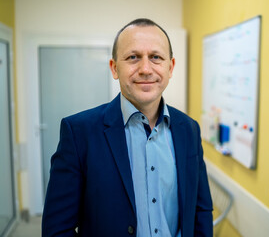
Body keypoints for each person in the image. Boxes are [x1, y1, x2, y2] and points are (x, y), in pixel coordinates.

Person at [42, 18, 213, 237]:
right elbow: (57, 229)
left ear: (170, 67)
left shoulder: (189, 130)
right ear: (115, 68)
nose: (145, 69)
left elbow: (201, 210)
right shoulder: (79, 133)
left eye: (156, 57)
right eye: (133, 57)